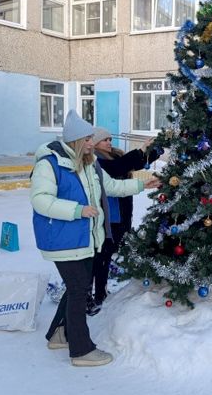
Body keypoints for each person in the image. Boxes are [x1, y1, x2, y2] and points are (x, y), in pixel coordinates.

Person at [30, 110, 144, 367]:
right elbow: (40, 200)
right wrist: (77, 210)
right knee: (80, 289)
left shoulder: (89, 163)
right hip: (63, 239)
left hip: (86, 238)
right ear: (77, 140)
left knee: (77, 288)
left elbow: (110, 187)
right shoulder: (49, 164)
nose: (93, 143)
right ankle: (81, 350)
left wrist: (141, 185)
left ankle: (59, 334)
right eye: (89, 139)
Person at [89, 127, 161, 313]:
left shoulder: (115, 156)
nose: (109, 142)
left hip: (122, 211)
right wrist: (141, 150)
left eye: (109, 139)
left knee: (107, 254)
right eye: (104, 140)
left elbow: (134, 163)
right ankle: (96, 295)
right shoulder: (96, 160)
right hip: (108, 215)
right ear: (94, 142)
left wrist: (156, 151)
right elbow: (119, 167)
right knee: (102, 256)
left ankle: (100, 291)